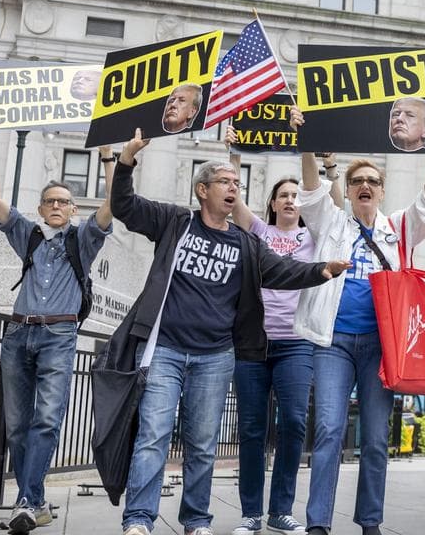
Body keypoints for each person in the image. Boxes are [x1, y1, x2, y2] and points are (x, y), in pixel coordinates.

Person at [110, 129, 347, 535]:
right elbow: (125, 206)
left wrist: (321, 270)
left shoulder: (245, 242)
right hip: (165, 349)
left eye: (237, 184)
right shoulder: (174, 222)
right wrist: (127, 159)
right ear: (203, 190)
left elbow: (281, 271)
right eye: (225, 182)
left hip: (216, 356)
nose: (233, 188)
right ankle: (139, 519)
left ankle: (196, 521)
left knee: (203, 443)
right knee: (153, 434)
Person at [288, 107, 425, 535]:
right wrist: (306, 143)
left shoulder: (397, 228)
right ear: (349, 188)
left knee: (377, 439)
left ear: (381, 191)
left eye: (372, 182)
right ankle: (319, 522)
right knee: (327, 430)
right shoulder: (332, 222)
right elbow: (309, 193)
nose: (364, 186)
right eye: (357, 181)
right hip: (334, 343)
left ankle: (370, 521)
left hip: (382, 345)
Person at [0, 122, 114, 534]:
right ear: (41, 208)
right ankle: (33, 501)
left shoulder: (84, 239)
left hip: (59, 336)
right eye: (50, 200)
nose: (57, 205)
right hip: (18, 335)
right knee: (17, 423)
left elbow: (113, 205)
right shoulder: (26, 234)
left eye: (64, 201)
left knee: (47, 419)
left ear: (74, 209)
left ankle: (23, 501)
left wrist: (108, 156)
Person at [223, 127, 321, 535]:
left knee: (294, 424)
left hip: (296, 344)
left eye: (296, 196)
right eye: (284, 195)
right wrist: (233, 154)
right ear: (273, 202)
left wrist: (308, 144)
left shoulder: (314, 235)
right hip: (253, 345)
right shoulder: (259, 232)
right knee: (250, 428)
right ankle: (250, 513)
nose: (291, 200)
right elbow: (232, 203)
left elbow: (324, 197)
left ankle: (281, 510)